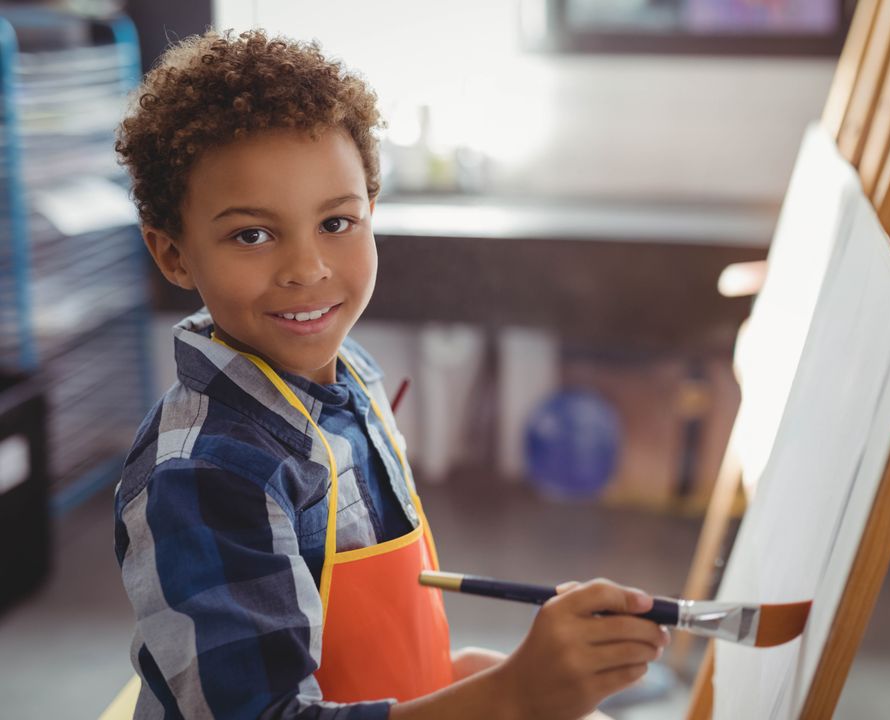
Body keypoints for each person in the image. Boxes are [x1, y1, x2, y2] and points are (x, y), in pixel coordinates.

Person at [113, 29, 668, 720]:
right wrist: (511, 697)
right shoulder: (206, 475)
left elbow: (376, 646)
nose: (307, 268)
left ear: (371, 211)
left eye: (336, 222)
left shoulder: (352, 376)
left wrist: (464, 677)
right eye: (252, 234)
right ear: (173, 254)